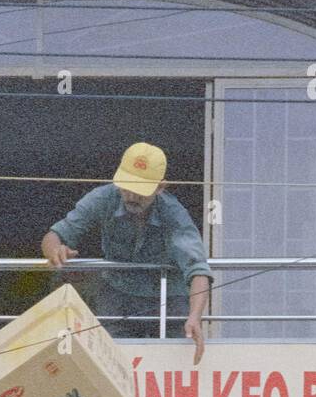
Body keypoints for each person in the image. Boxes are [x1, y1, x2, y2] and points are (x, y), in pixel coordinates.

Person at [41, 142, 212, 364]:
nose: (131, 196)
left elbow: (198, 269)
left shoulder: (174, 214)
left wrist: (195, 316)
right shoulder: (103, 198)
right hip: (117, 293)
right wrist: (55, 250)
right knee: (110, 361)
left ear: (161, 187)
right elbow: (56, 234)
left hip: (168, 297)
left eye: (140, 192)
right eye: (126, 187)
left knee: (175, 359)